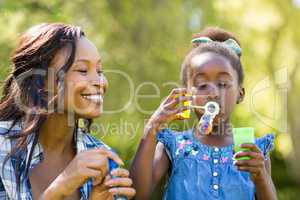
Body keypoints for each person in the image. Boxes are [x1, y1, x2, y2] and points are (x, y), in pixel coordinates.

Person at [130, 27, 277, 200]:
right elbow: (135, 196)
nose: (213, 93)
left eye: (223, 83)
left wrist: (261, 178)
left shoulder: (252, 150)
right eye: (201, 85)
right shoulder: (174, 146)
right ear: (187, 95)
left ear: (240, 93)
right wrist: (152, 127)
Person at [0, 23, 135, 200]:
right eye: (83, 70)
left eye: (100, 71)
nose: (100, 82)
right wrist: (60, 188)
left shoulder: (103, 160)